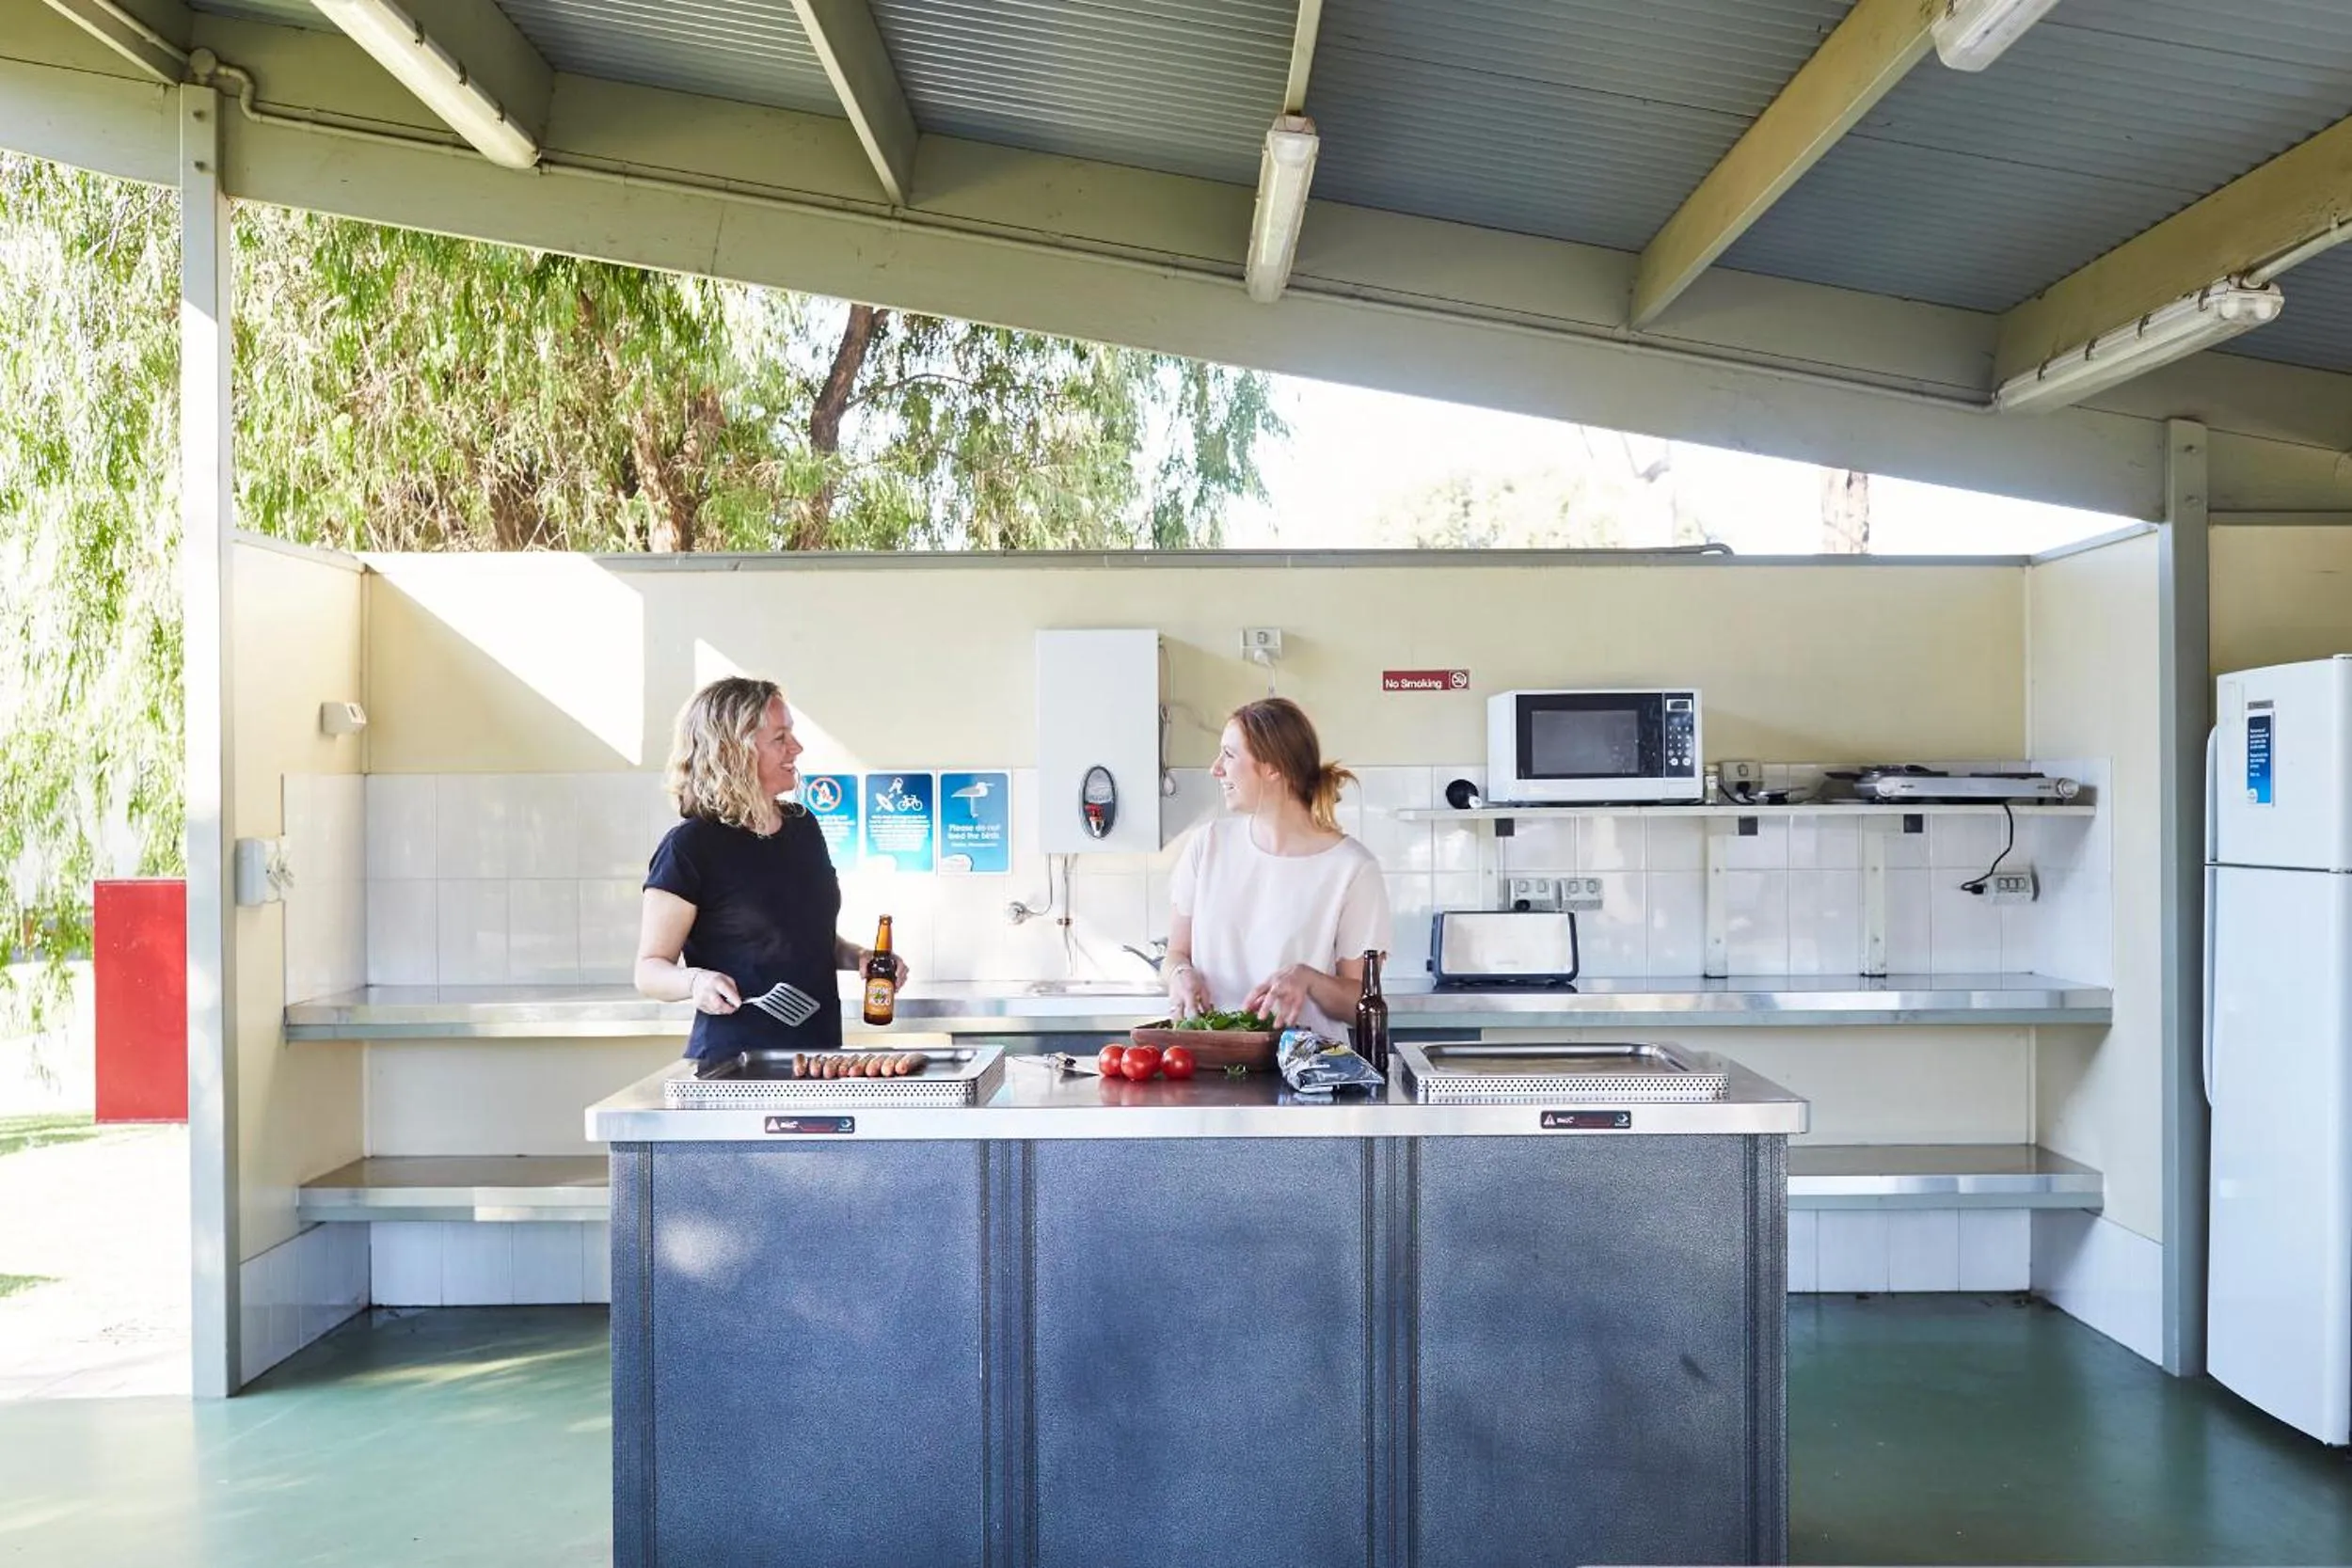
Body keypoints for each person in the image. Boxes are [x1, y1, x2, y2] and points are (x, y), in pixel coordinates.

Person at [634, 676, 908, 1063]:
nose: (796, 748)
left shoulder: (803, 827)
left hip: (817, 1060)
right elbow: (649, 971)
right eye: (780, 738)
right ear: (734, 751)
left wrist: (857, 956)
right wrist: (696, 980)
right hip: (734, 1063)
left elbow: (804, 939)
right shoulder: (691, 847)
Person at [1165, 697, 1391, 1035]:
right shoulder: (1207, 845)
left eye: (1229, 754)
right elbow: (1176, 953)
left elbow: (1361, 1001)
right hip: (1210, 1066)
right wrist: (1179, 975)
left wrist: (1309, 979)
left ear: (1272, 767)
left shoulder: (1353, 869)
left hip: (1306, 1074)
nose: (1216, 768)